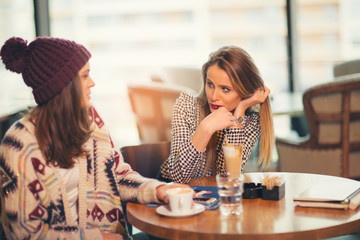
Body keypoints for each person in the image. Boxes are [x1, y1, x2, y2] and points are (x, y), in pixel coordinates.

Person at [0, 36, 189, 240]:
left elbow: (116, 175)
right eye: (84, 76)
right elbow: (25, 233)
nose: (92, 83)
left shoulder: (90, 120)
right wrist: (96, 237)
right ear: (63, 85)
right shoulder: (18, 146)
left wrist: (158, 189)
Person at [158, 46, 274, 184]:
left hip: (213, 195)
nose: (213, 96)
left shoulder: (250, 122)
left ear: (244, 92)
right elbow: (179, 177)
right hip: (171, 191)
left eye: (225, 89)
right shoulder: (187, 106)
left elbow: (230, 176)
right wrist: (206, 127)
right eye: (210, 84)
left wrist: (240, 110)